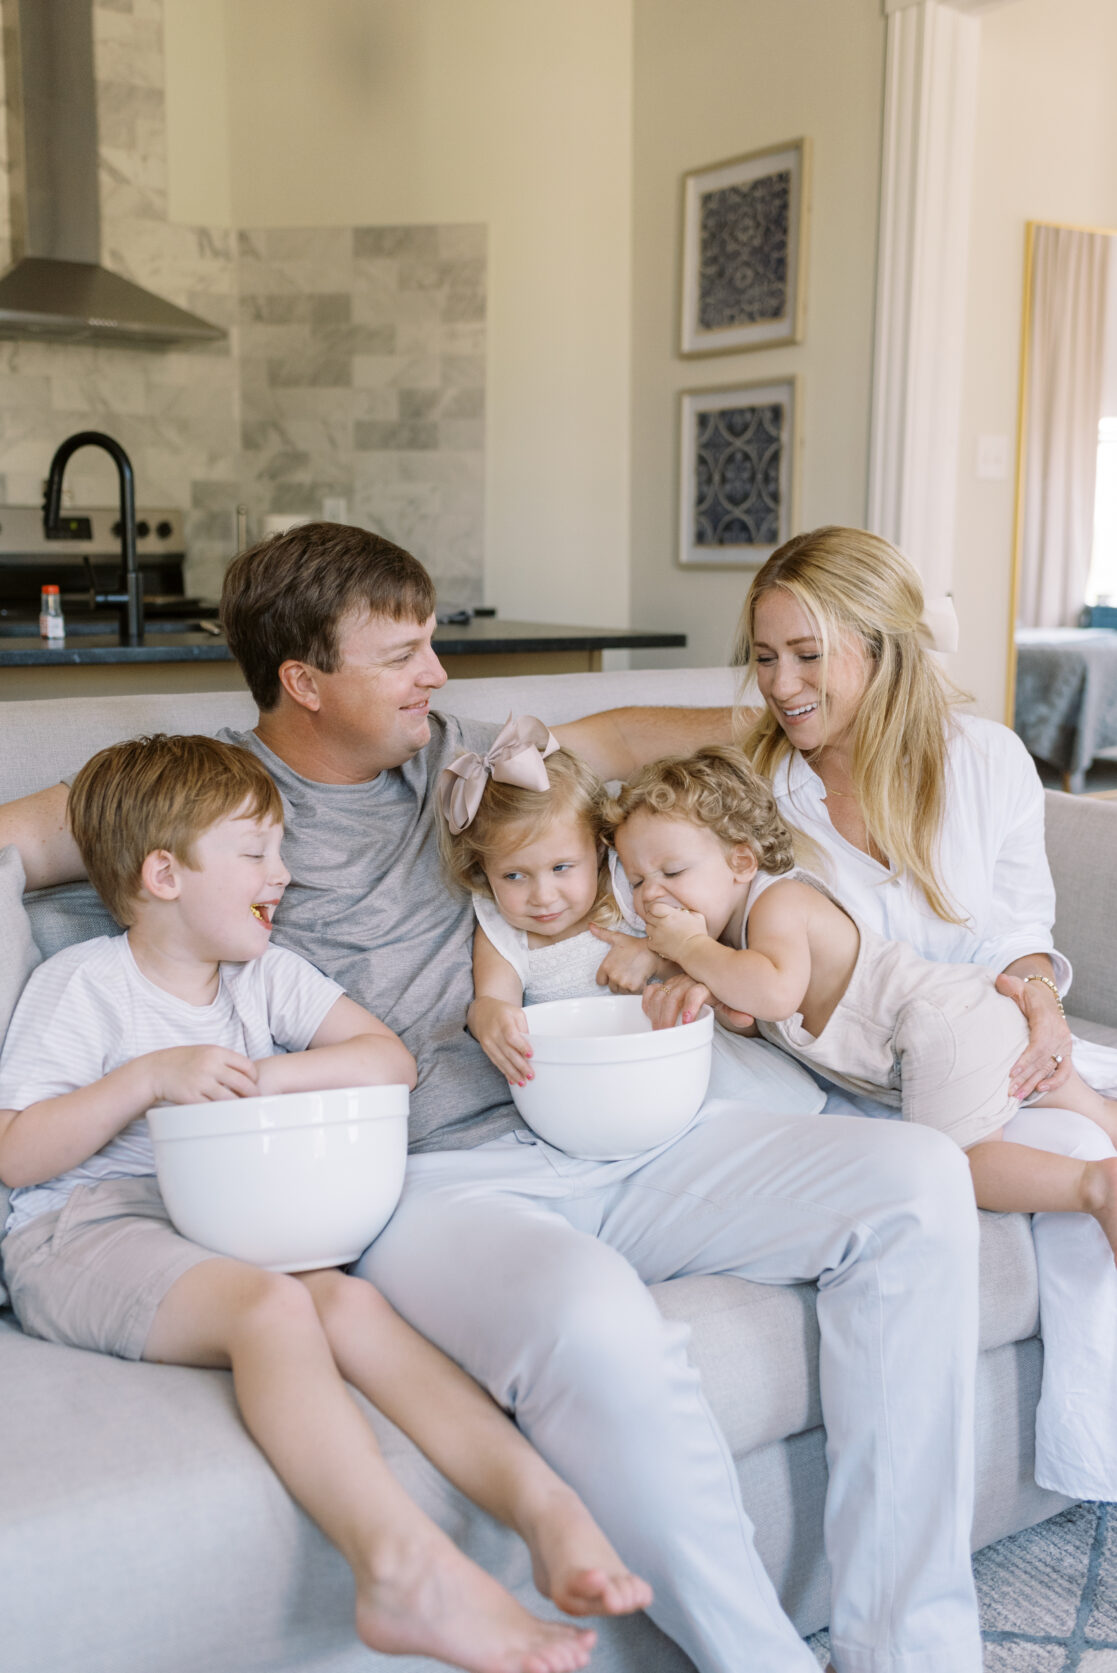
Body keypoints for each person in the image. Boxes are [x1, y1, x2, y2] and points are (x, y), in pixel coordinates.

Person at [0, 522, 986, 1673]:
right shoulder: (203, 803)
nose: (437, 672)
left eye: (432, 643)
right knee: (594, 1322)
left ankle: (913, 1651)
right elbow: (21, 843)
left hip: (602, 1123)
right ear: (303, 682)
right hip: (430, 1186)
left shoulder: (462, 759)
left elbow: (614, 737)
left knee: (917, 1181)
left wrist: (846, 707)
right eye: (403, 653)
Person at [0, 732, 654, 1673]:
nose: (286, 872)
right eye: (257, 852)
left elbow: (386, 1058)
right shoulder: (87, 986)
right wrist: (148, 1078)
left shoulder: (262, 975)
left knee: (349, 1302)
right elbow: (18, 1152)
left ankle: (547, 1509)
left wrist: (259, 1076)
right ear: (163, 872)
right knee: (272, 1308)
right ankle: (399, 1569)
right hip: (83, 1229)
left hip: (210, 1218)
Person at [647, 524, 1117, 1502]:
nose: (779, 683)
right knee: (1071, 1138)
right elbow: (755, 955)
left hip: (988, 1026)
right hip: (867, 1077)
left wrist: (1037, 997)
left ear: (882, 645)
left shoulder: (986, 759)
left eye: (807, 655)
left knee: (1068, 1106)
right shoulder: (759, 791)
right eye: (766, 657)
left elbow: (1018, 928)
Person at [609, 744, 1117, 1253]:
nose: (652, 894)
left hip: (941, 1027)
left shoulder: (778, 904)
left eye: (672, 873)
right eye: (637, 880)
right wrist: (690, 973)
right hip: (965, 1016)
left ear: (741, 860)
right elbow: (749, 1012)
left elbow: (776, 995)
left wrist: (688, 948)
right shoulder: (729, 940)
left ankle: (1095, 1186)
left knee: (962, 1167)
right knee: (1077, 1102)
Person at [439, 716, 828, 1115]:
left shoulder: (635, 888)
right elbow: (493, 1000)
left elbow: (724, 992)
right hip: (602, 1085)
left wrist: (653, 955)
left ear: (598, 853)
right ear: (484, 872)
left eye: (562, 868)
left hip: (694, 1060)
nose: (542, 896)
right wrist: (484, 1015)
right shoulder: (503, 929)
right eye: (514, 876)